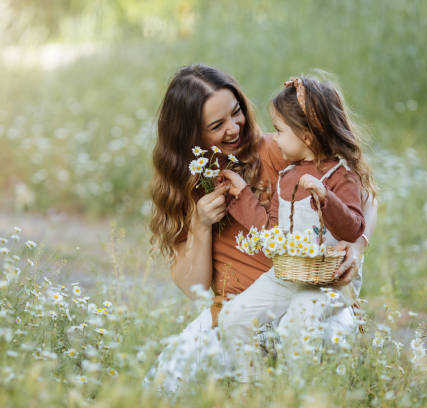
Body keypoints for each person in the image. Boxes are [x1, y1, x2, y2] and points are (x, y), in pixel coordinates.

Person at [146, 64, 377, 392]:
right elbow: (193, 286)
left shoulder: (279, 149)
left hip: (308, 297)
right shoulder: (186, 187)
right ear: (190, 136)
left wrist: (357, 246)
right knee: (161, 386)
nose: (233, 128)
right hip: (241, 312)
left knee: (312, 349)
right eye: (217, 125)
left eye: (236, 112)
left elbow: (363, 194)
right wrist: (200, 224)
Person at [219, 75, 376, 380]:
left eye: (279, 130)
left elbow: (354, 228)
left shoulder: (341, 176)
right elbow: (272, 230)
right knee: (234, 318)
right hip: (288, 275)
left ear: (307, 135)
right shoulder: (288, 175)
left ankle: (298, 393)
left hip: (328, 281)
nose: (274, 139)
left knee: (298, 323)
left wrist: (324, 197)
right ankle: (256, 387)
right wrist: (242, 195)